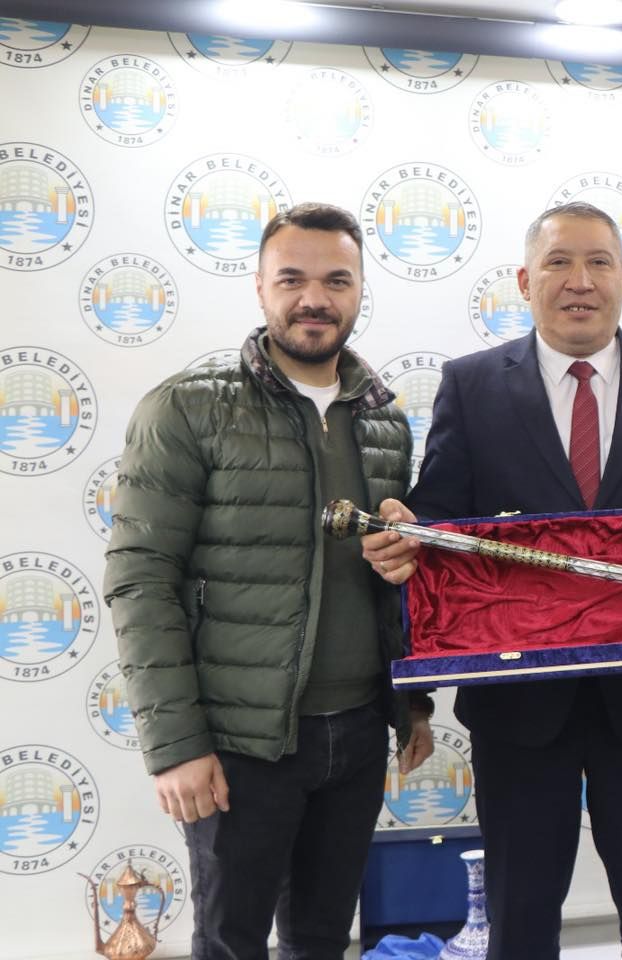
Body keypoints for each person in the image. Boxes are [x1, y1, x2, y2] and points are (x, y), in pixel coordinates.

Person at [364, 202, 622, 960]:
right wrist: (410, 529)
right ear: (527, 280)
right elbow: (441, 531)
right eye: (559, 262)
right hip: (519, 704)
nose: (580, 281)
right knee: (521, 916)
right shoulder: (471, 385)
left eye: (598, 262)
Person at [103, 202, 434, 960]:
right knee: (231, 943)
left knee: (322, 940)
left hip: (358, 734)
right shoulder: (188, 406)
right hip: (240, 746)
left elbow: (396, 582)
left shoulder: (384, 422)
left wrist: (411, 703)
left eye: (336, 280)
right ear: (260, 287)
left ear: (360, 290)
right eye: (292, 279)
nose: (314, 298)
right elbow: (140, 577)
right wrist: (176, 746)